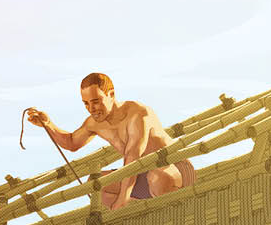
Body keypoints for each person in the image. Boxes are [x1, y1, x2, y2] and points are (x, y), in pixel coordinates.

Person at [26, 72, 196, 210]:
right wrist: (47, 124)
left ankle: (152, 210)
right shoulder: (94, 123)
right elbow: (71, 143)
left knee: (157, 178)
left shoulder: (138, 114)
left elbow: (133, 157)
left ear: (111, 95)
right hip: (140, 175)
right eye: (86, 104)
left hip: (173, 169)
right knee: (95, 185)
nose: (91, 109)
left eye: (96, 102)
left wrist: (122, 199)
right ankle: (138, 210)